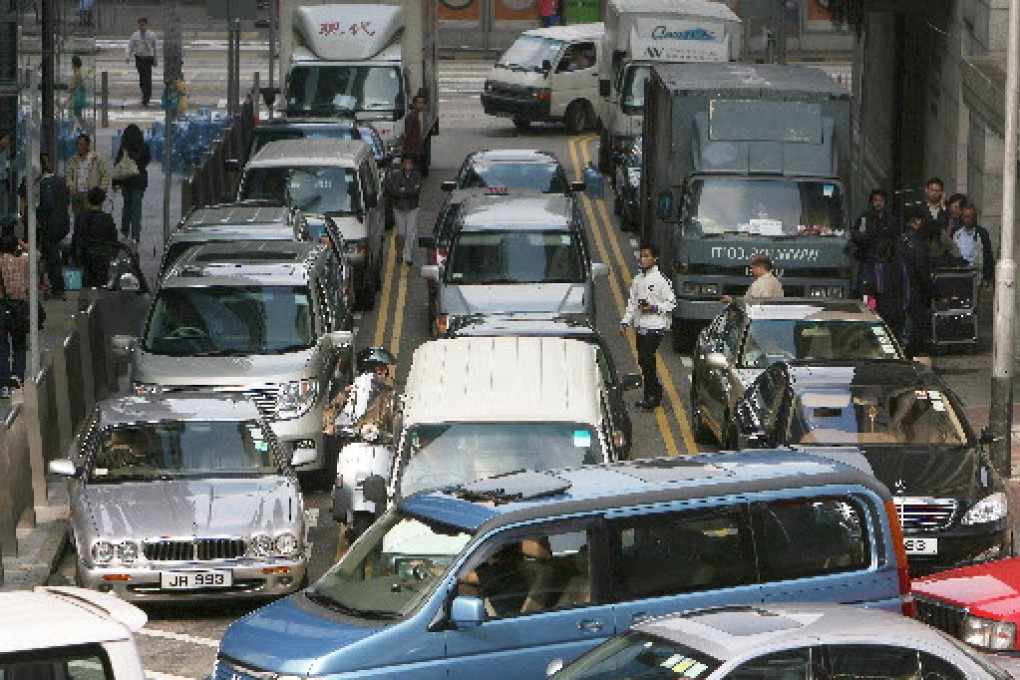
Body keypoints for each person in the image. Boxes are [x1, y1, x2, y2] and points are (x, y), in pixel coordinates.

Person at [620, 244, 676, 411]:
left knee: (646, 357)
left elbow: (672, 303)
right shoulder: (638, 280)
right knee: (644, 361)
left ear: (654, 258)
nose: (642, 259)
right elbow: (632, 303)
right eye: (641, 256)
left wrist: (654, 307)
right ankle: (650, 392)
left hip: (656, 326)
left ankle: (654, 394)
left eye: (646, 256)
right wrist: (625, 322)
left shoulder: (661, 280)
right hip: (641, 326)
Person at [34, 154, 70, 300]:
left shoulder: (44, 184)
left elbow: (47, 205)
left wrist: (37, 213)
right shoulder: (60, 180)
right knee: (53, 256)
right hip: (62, 223)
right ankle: (56, 287)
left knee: (52, 258)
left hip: (51, 226)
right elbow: (66, 201)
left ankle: (58, 289)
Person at [849, 188, 899, 295]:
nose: (878, 203)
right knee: (866, 291)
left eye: (880, 200)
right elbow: (854, 234)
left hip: (885, 261)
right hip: (867, 260)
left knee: (883, 290)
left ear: (885, 202)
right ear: (871, 202)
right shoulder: (864, 218)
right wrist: (862, 239)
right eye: (875, 200)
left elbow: (896, 239)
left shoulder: (891, 219)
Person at [900, 209, 933, 359]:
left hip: (901, 290)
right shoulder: (917, 243)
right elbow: (922, 270)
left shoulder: (902, 240)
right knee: (919, 326)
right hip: (914, 290)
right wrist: (932, 291)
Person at [71, 187, 118, 288]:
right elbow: (113, 239)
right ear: (102, 201)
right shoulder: (107, 218)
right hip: (102, 256)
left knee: (87, 283)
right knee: (102, 284)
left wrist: (75, 257)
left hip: (87, 256)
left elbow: (77, 237)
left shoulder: (82, 217)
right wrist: (113, 255)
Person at [113, 123, 151, 245]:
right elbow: (146, 162)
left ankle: (124, 230)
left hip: (127, 181)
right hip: (139, 182)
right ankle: (136, 234)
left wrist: (115, 182)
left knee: (127, 206)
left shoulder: (124, 148)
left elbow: (118, 165)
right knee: (136, 208)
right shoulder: (144, 147)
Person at [0, 233, 28, 387]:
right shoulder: (23, 261)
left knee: (2, 346)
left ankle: (4, 381)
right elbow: (37, 254)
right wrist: (21, 243)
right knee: (19, 345)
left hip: (2, 306)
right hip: (20, 308)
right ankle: (18, 380)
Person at [868, 239, 910, 343]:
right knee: (896, 336)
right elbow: (906, 287)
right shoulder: (901, 265)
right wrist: (904, 305)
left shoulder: (878, 266)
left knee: (883, 336)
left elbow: (878, 288)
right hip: (898, 305)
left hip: (882, 304)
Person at [385, 156, 422, 265]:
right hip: (399, 208)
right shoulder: (396, 176)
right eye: (406, 163)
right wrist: (408, 191)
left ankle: (409, 255)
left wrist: (403, 190)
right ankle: (399, 252)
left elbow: (417, 190)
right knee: (401, 233)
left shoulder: (416, 176)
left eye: (410, 163)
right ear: (403, 165)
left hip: (412, 208)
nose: (408, 166)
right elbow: (392, 190)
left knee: (410, 232)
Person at [65, 134, 111, 219]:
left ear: (87, 145)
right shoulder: (73, 160)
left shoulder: (97, 159)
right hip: (77, 195)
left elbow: (106, 175)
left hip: (91, 196)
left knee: (92, 221)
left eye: (81, 145)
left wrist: (101, 190)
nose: (79, 147)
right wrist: (71, 186)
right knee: (78, 220)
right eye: (77, 144)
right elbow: (68, 175)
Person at [954, 204, 994, 288]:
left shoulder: (981, 233)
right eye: (965, 217)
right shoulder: (957, 234)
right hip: (959, 275)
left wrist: (986, 277)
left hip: (976, 275)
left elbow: (987, 255)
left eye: (970, 217)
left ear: (974, 218)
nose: (967, 220)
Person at [126, 18, 157, 107]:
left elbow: (155, 48)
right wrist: (128, 56)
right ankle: (144, 92)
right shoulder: (135, 35)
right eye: (140, 25)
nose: (142, 27)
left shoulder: (151, 35)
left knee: (147, 78)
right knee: (142, 78)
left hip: (148, 58)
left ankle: (146, 97)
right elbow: (130, 46)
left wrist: (155, 59)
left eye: (143, 25)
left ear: (147, 25)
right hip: (139, 58)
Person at [400, 94, 428, 177]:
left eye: (422, 103)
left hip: (416, 152)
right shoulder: (411, 117)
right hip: (411, 153)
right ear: (414, 104)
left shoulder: (415, 116)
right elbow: (408, 135)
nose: (421, 105)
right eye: (419, 103)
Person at [68, 55, 87, 130]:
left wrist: (71, 89)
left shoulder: (78, 74)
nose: (71, 65)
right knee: (78, 115)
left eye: (72, 63)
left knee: (78, 115)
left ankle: (85, 128)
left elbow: (77, 86)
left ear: (74, 64)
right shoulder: (78, 72)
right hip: (77, 98)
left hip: (77, 99)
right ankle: (85, 128)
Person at [0, 130, 13, 219]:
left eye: (8, 139)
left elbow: (8, 167)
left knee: (5, 205)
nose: (7, 141)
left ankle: (5, 223)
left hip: (4, 182)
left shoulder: (6, 152)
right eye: (6, 139)